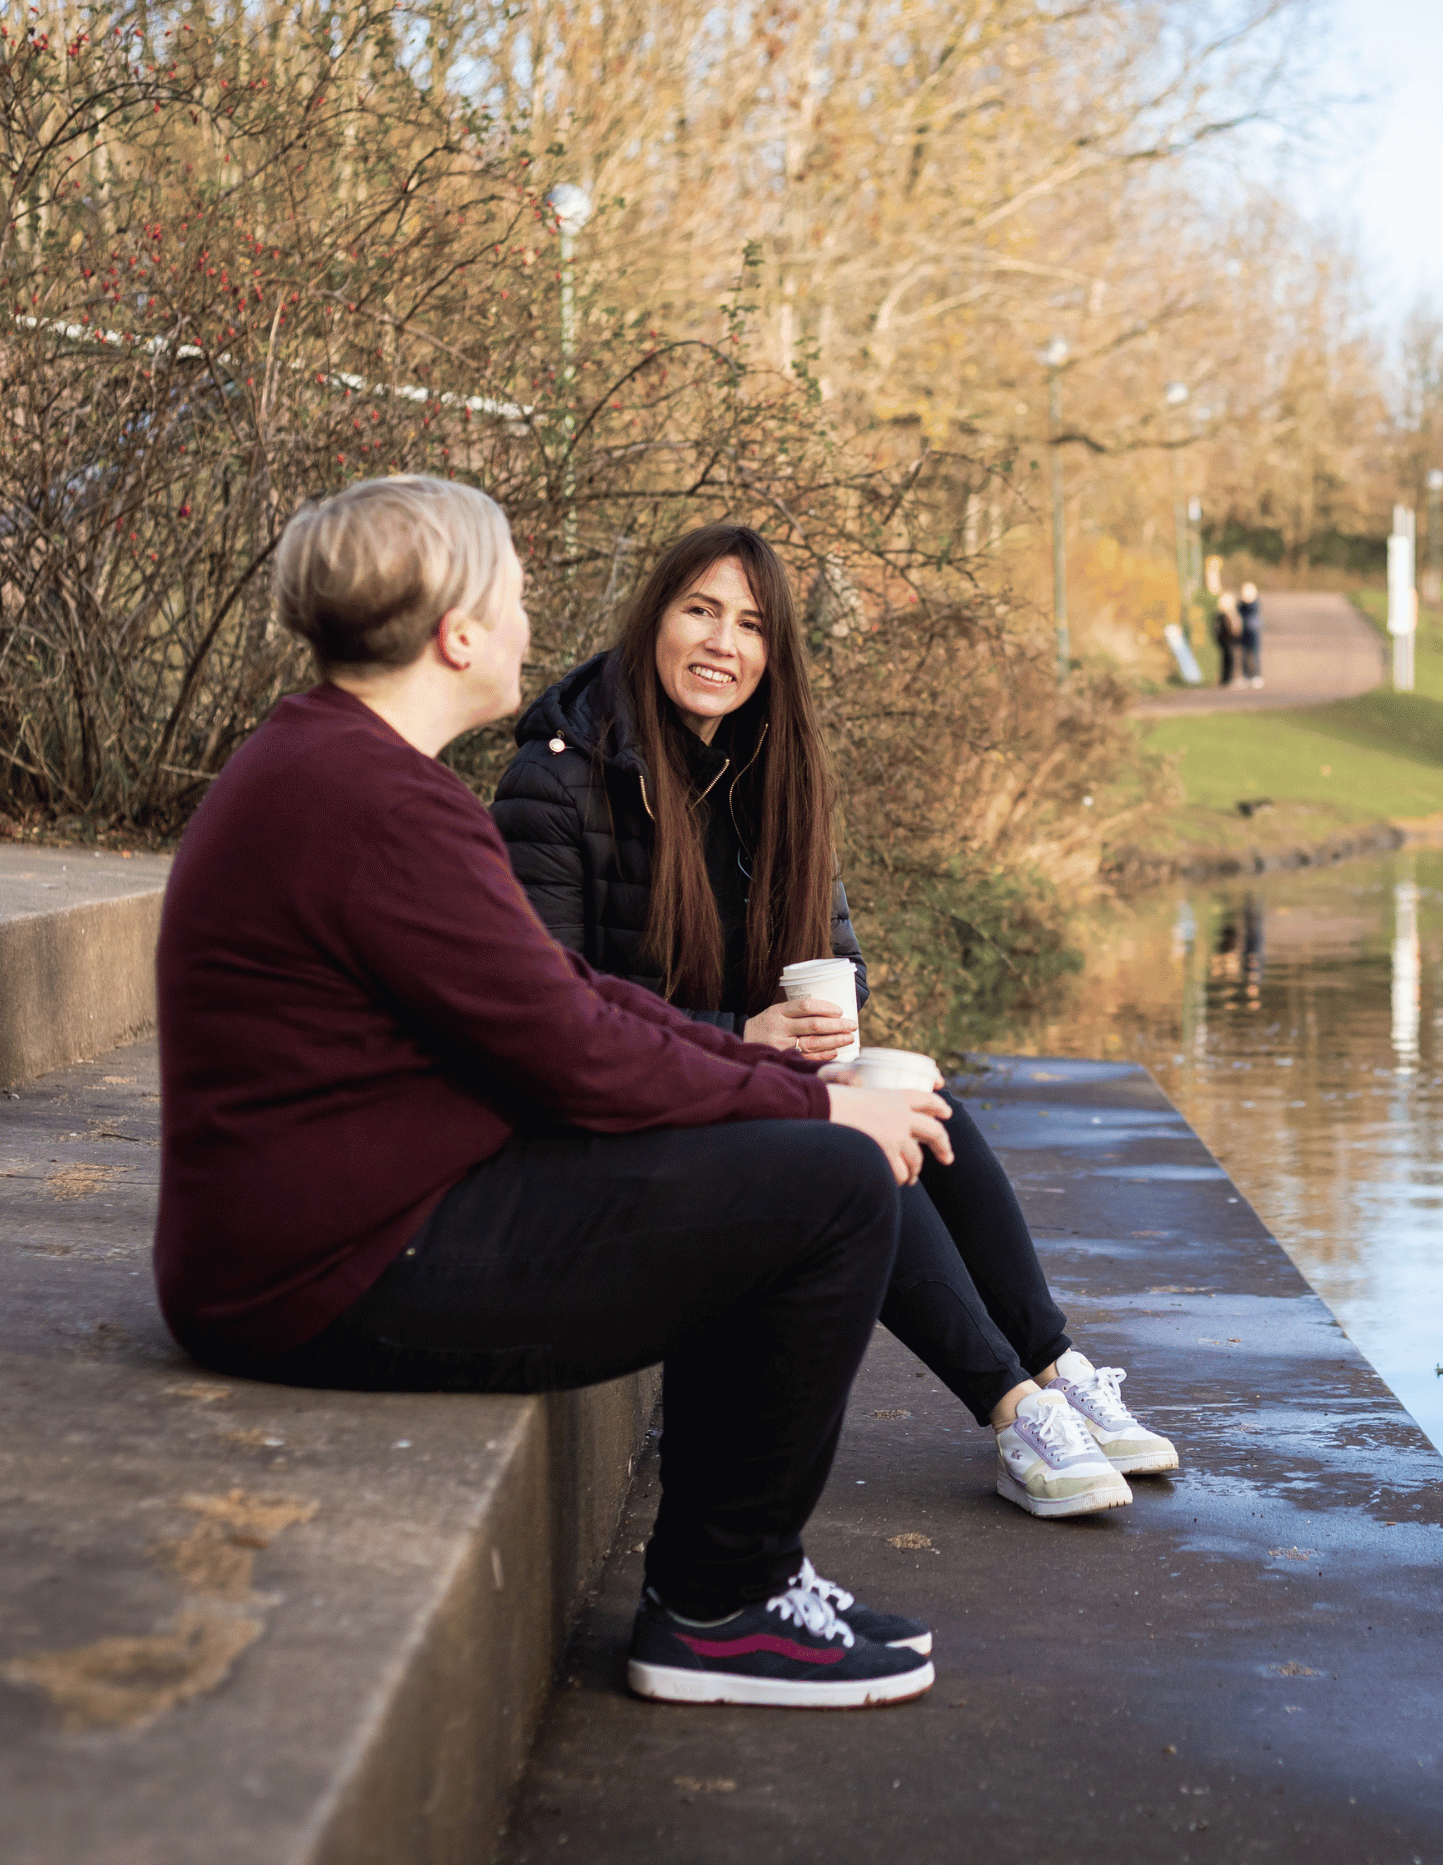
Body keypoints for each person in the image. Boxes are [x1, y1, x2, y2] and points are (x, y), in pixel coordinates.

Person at [155, 475, 946, 1710]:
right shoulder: (371, 803)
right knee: (833, 1186)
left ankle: (732, 1582)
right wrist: (815, 1109)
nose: (534, 620)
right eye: (516, 593)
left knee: (798, 1157)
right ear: (458, 634)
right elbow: (571, 1047)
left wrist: (764, 1072)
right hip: (329, 1272)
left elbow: (561, 992)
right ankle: (721, 1606)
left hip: (353, 1225)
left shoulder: (343, 769)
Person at [492, 522, 1180, 1522]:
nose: (722, 642)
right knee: (845, 1148)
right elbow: (561, 1022)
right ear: (651, 621)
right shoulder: (554, 783)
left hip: (723, 1080)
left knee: (913, 1098)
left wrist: (831, 1021)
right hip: (608, 1128)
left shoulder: (770, 771)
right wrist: (744, 1039)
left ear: (775, 655)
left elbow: (833, 950)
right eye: (700, 611)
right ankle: (1014, 1408)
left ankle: (1055, 1363)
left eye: (751, 625)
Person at [1237, 580, 1264, 687]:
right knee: (1244, 655)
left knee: (1254, 655)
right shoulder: (1241, 605)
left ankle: (1257, 675)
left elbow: (1252, 612)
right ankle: (1246, 676)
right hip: (1244, 633)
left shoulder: (1254, 605)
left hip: (1253, 633)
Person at [1211, 591, 1240, 686]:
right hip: (1226, 640)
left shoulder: (1219, 615)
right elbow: (1229, 629)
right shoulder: (1224, 616)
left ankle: (1226, 678)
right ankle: (1227, 678)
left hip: (1223, 640)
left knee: (1226, 659)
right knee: (1229, 659)